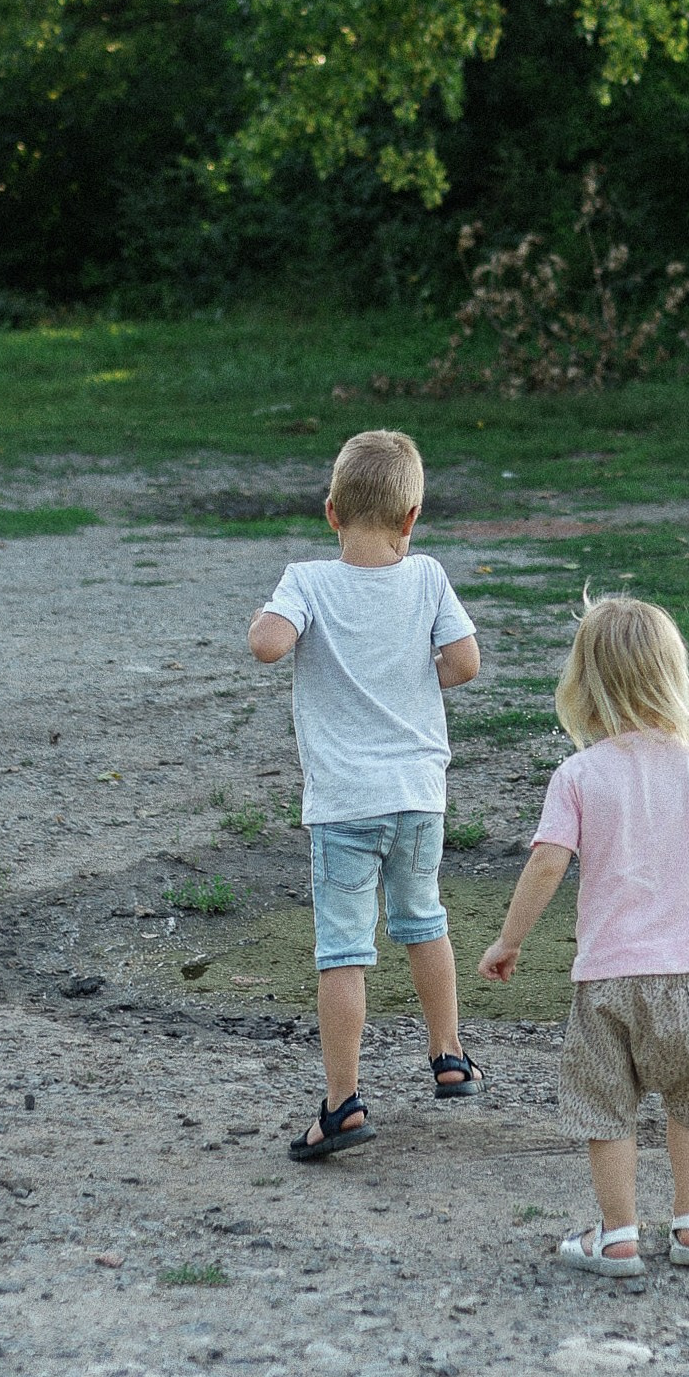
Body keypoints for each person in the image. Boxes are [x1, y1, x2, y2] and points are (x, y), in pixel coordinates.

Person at [479, 591, 689, 1283]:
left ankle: (620, 1236)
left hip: (607, 980)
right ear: (672, 675)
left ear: (585, 683)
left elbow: (547, 863)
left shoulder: (577, 774)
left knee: (606, 1104)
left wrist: (509, 941)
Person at [248, 426, 484, 1161]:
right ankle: (449, 1055)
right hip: (418, 796)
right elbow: (465, 663)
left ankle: (343, 1103)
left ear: (331, 512)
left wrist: (271, 621)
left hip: (346, 804)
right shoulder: (429, 576)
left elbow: (267, 645)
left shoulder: (306, 580)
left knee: (343, 950)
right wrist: (415, 678)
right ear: (412, 517)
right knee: (424, 920)